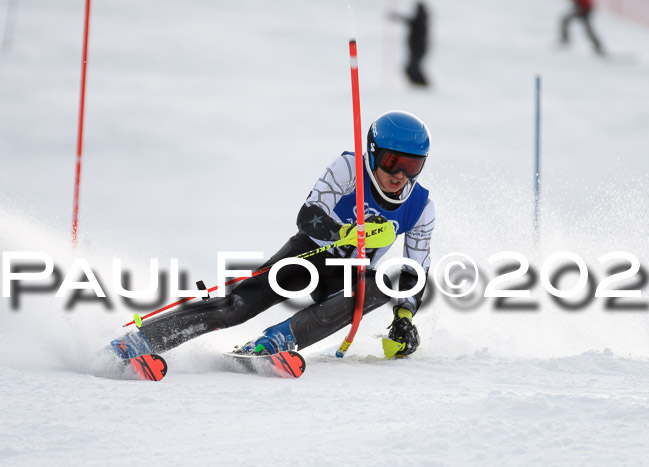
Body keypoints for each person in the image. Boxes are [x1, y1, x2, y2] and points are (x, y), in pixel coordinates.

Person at [110, 110, 435, 359]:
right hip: (309, 253)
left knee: (381, 282)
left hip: (348, 278)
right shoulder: (350, 169)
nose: (400, 175)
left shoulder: (421, 206)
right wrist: (345, 232)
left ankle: (278, 340)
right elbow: (307, 217)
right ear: (374, 152)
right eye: (392, 162)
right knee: (236, 307)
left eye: (412, 166)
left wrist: (404, 317)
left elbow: (415, 271)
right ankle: (143, 339)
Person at [390, 2, 430, 86]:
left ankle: (422, 84)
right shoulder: (421, 20)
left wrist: (397, 17)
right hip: (416, 49)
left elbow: (411, 21)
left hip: (418, 49)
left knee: (411, 68)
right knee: (412, 68)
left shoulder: (421, 20)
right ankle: (420, 84)